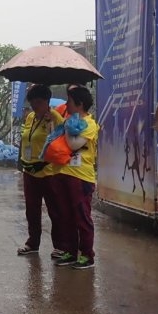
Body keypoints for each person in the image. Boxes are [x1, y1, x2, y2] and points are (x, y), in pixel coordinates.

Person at [49, 85, 99, 270]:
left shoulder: (89, 124)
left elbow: (73, 145)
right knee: (65, 215)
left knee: (81, 216)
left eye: (69, 101)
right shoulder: (69, 121)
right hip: (63, 173)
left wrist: (67, 128)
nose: (66, 104)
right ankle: (70, 251)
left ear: (80, 104)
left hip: (81, 177)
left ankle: (87, 255)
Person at [16, 84, 65, 257]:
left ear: (47, 101)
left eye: (38, 102)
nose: (34, 105)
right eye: (32, 102)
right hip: (30, 171)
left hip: (48, 172)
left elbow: (63, 142)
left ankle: (60, 246)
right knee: (32, 209)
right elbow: (26, 138)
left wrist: (51, 125)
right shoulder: (30, 117)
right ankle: (32, 243)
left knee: (55, 210)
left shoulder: (55, 117)